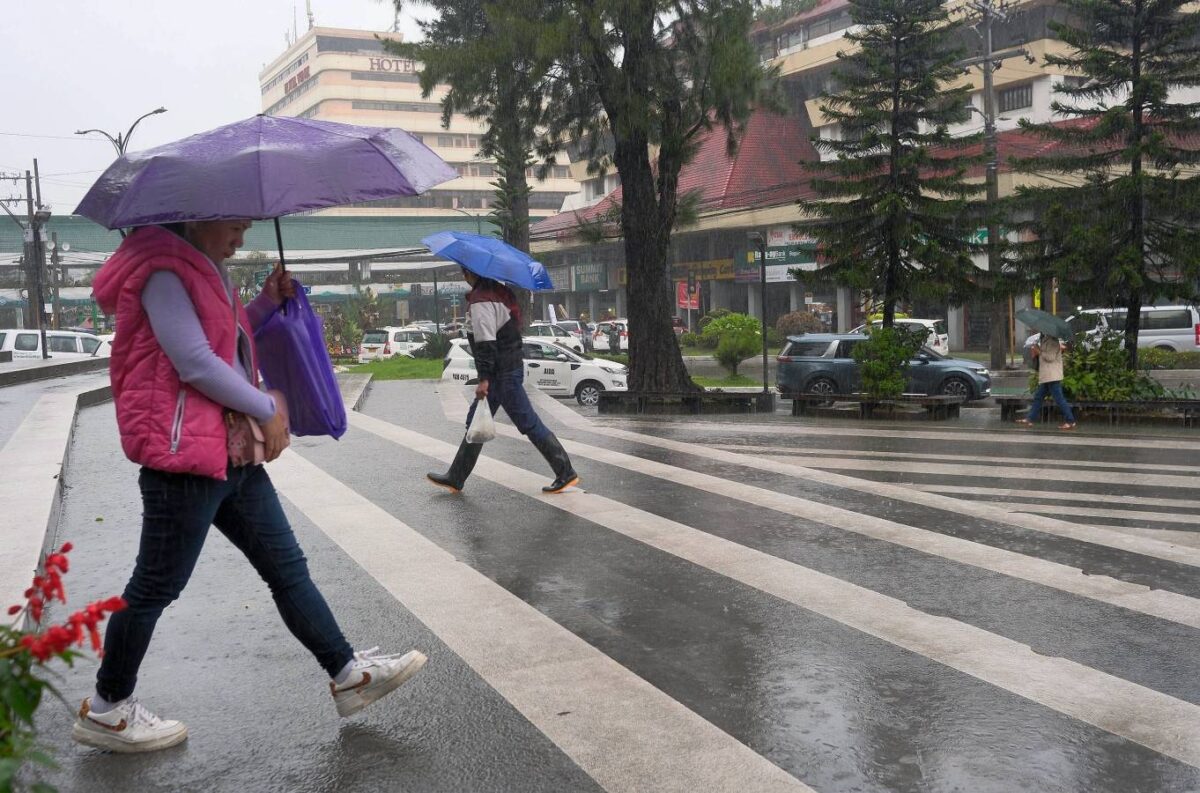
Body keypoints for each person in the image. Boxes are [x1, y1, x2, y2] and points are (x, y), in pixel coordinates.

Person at [78, 221, 426, 753]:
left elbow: (230, 341)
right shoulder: (162, 271)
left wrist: (264, 302)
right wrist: (265, 409)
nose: (240, 237)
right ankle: (108, 709)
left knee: (287, 569)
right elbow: (194, 361)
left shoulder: (204, 268)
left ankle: (347, 672)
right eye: (234, 225)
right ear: (198, 215)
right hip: (185, 460)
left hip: (230, 451)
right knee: (153, 589)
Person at [427, 268, 579, 494]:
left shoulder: (482, 300)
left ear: (470, 273)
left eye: (464, 271)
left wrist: (484, 379)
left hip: (502, 373)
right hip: (506, 368)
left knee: (528, 422)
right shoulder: (497, 292)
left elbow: (486, 343)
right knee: (475, 421)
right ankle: (456, 476)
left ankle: (565, 471)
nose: (462, 276)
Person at [1016, 333, 1077, 430]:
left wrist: (1038, 350)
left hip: (1052, 376)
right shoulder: (1045, 339)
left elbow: (1050, 358)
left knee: (1059, 399)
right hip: (1047, 376)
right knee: (1038, 397)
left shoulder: (1052, 341)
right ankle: (1030, 418)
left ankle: (1071, 421)